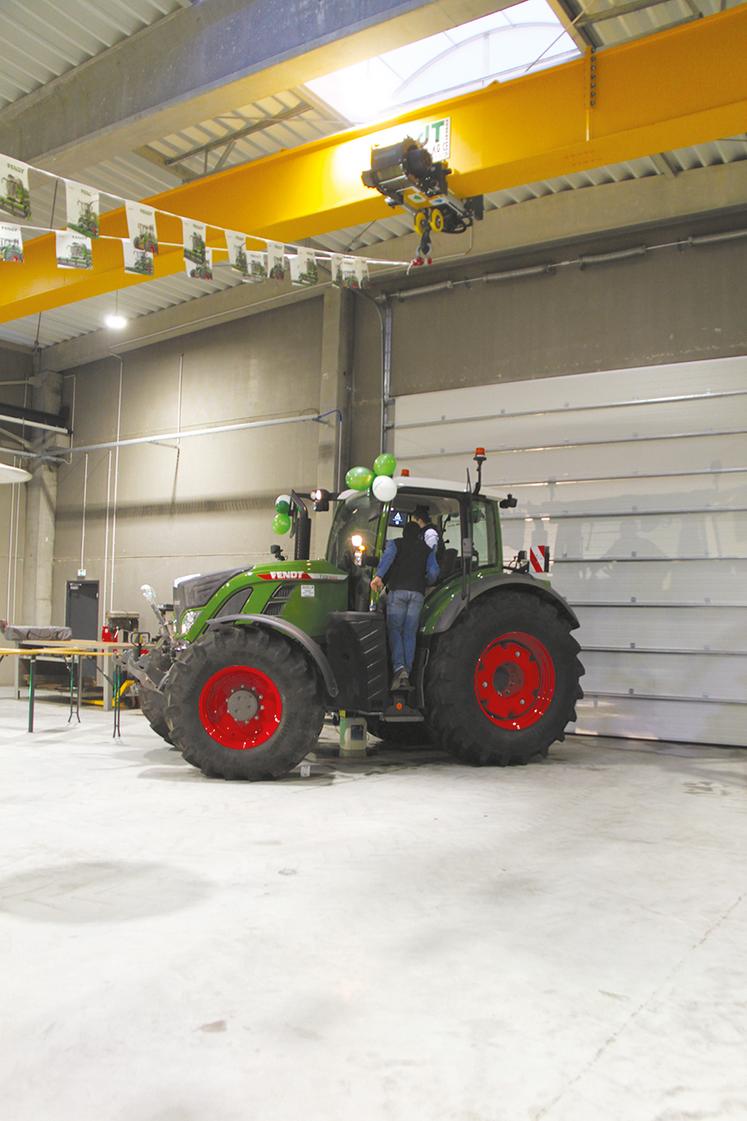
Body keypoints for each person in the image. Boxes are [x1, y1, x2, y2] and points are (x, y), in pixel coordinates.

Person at [371, 521, 439, 691]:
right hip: (417, 594)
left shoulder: (396, 543)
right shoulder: (426, 549)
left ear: (403, 532)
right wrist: (425, 582)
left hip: (398, 592)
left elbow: (387, 559)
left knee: (395, 630)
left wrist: (378, 576)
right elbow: (433, 572)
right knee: (410, 633)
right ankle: (406, 673)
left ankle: (399, 668)